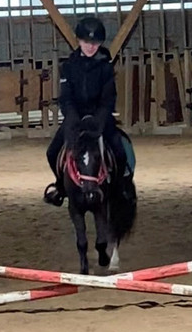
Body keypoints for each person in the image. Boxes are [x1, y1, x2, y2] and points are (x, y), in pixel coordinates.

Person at [43, 16, 129, 207]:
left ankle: (119, 187)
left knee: (120, 151)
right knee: (52, 152)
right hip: (75, 117)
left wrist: (98, 121)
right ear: (79, 40)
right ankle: (60, 186)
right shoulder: (68, 66)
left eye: (95, 43)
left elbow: (109, 98)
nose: (91, 46)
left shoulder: (106, 67)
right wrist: (73, 119)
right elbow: (65, 97)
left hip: (100, 117)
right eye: (87, 42)